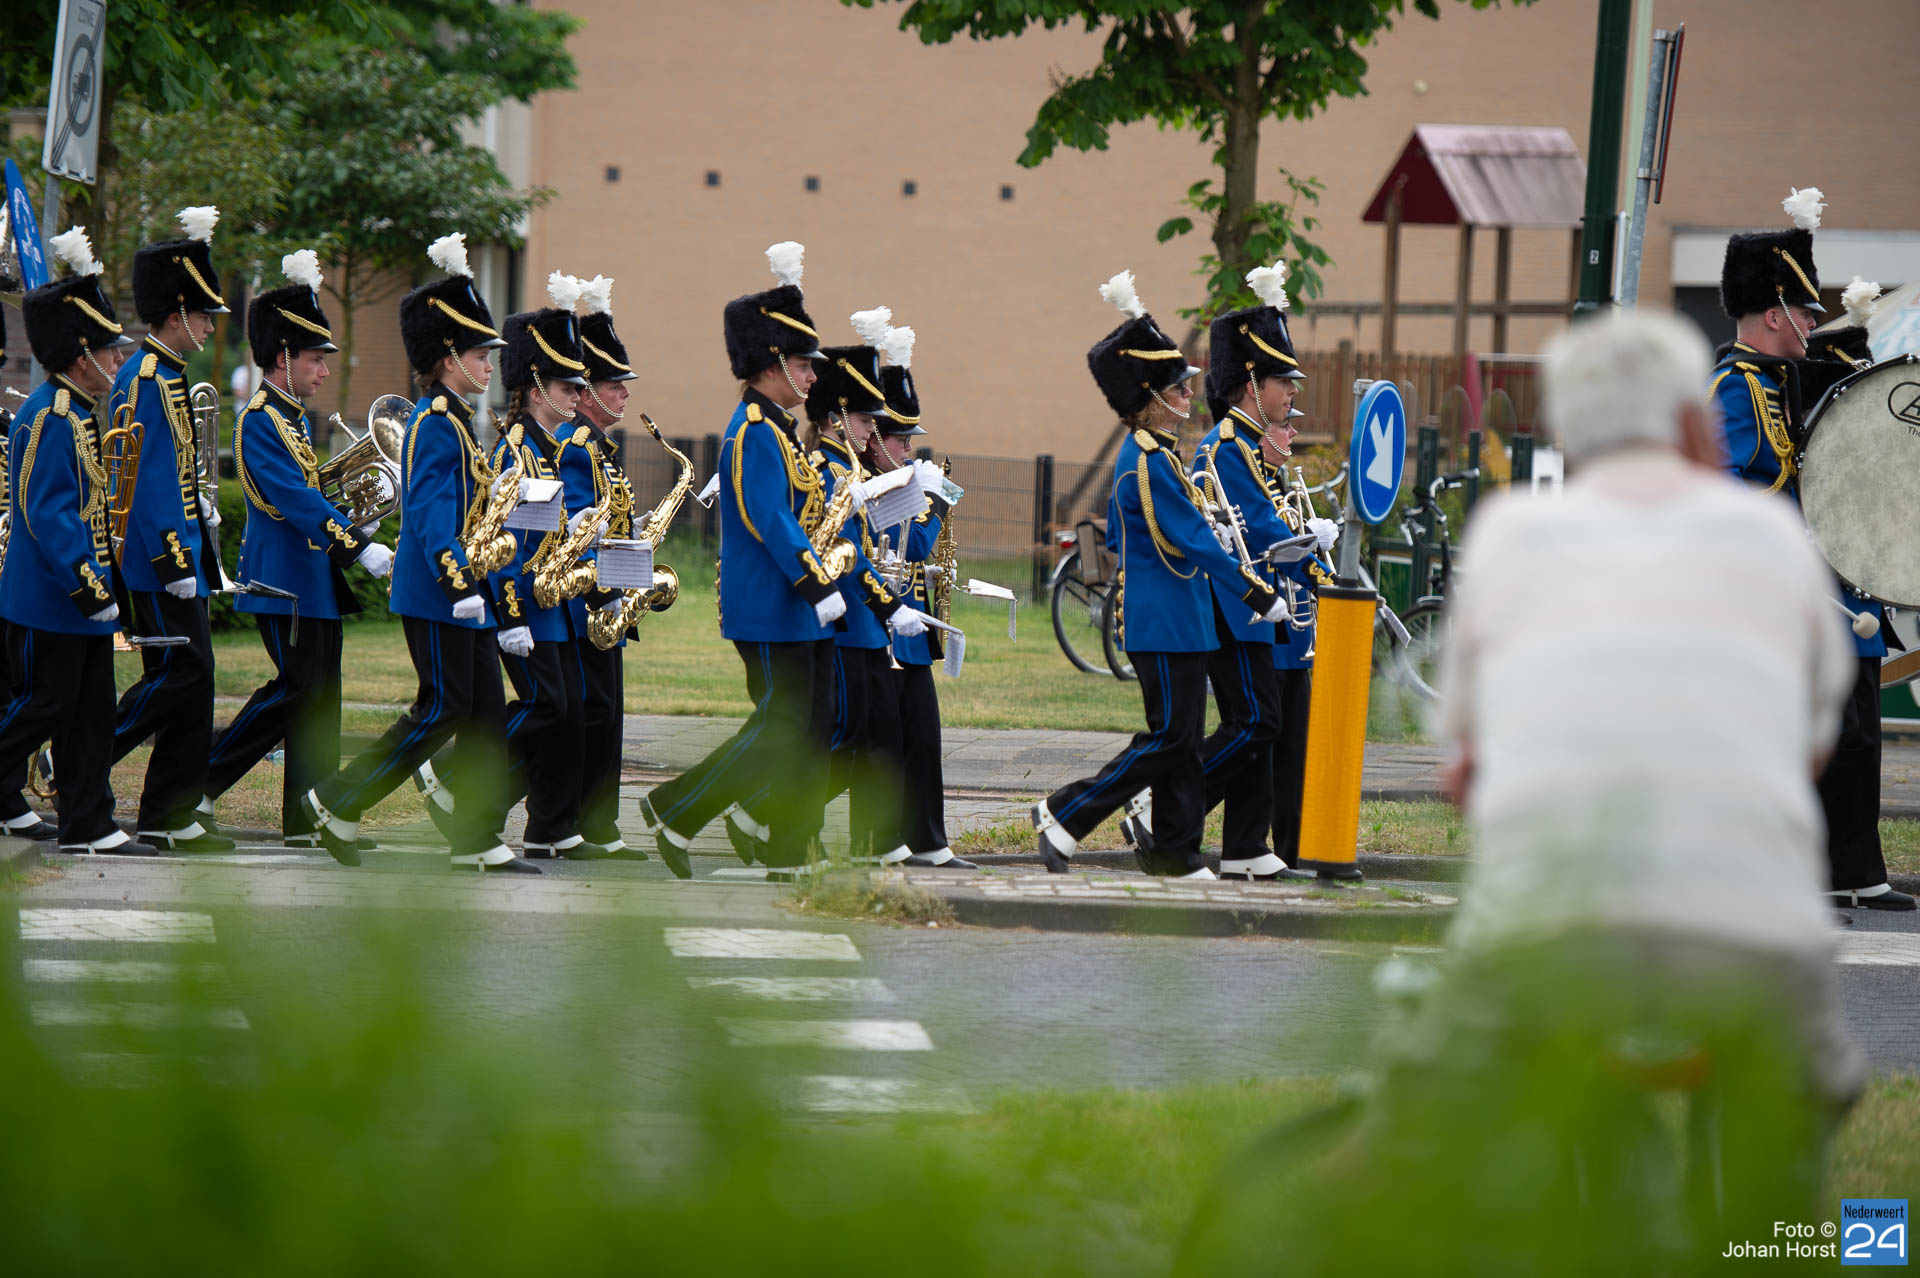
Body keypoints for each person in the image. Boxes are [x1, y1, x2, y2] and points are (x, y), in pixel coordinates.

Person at [1404, 308, 1862, 1248]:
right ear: (1695, 424)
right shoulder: (1772, 540)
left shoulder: (1510, 537)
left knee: (1487, 1120)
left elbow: (1462, 764)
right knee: (1792, 1152)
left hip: (1549, 938)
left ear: (1568, 438)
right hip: (1754, 946)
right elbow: (1815, 746)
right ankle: (1790, 1247)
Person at [1029, 271, 1286, 877]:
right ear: (1151, 395)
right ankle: (1067, 812)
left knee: (1183, 746)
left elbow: (1139, 537)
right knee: (1169, 739)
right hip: (1164, 623)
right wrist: (1256, 592)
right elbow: (1194, 542)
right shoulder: (1147, 462)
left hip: (1182, 621)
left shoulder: (1159, 456)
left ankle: (1175, 849)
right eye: (1178, 387)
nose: (1190, 394)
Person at [301, 233, 535, 874]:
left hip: (464, 591)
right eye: (481, 355)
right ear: (449, 358)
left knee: (485, 714)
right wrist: (460, 585)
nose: (490, 366)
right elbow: (431, 518)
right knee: (442, 708)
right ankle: (338, 798)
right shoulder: (435, 423)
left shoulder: (455, 420)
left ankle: (476, 835)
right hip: (440, 593)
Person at [1712, 188, 1913, 911]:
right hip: (1788, 588)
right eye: (1802, 310)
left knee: (1858, 732)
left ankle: (1856, 871)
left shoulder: (1799, 378)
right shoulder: (1734, 387)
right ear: (1773, 314)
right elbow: (1731, 483)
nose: (1811, 321)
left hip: (1836, 585)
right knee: (1814, 733)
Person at [637, 242, 851, 882]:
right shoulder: (754, 431)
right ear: (772, 363)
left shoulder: (777, 428)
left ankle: (792, 847)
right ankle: (677, 808)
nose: (812, 378)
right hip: (772, 604)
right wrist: (817, 582)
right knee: (781, 727)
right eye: (803, 366)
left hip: (796, 604)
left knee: (809, 730)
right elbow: (768, 517)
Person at [202, 250, 394, 848]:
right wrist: (356, 546)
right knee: (295, 692)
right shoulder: (261, 418)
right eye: (315, 359)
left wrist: (354, 516)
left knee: (320, 701)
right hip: (283, 581)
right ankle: (198, 785)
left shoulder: (293, 418)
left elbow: (312, 494)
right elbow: (293, 499)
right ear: (284, 357)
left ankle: (308, 815)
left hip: (309, 583)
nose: (323, 371)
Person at [0, 227, 151, 855]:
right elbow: (50, 516)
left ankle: (88, 822)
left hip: (77, 599)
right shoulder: (52, 415)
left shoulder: (79, 412)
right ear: (80, 355)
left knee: (90, 712)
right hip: (51, 599)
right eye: (110, 351)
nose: (117, 361)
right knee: (43, 706)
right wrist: (90, 588)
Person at [1187, 263, 1327, 881]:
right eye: (1282, 380)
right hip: (1245, 613)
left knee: (1277, 738)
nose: (1291, 392)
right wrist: (1314, 557)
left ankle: (1251, 845)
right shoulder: (1226, 447)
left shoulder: (1252, 446)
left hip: (1276, 616)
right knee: (1257, 728)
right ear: (1251, 383)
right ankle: (1170, 811)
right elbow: (1260, 531)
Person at [107, 206, 235, 853]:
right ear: (177, 312)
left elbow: (175, 473)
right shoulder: (146, 378)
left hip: (182, 554)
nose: (210, 325)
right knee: (179, 675)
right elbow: (143, 481)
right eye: (204, 314)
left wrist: (198, 517)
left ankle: (167, 812)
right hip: (159, 561)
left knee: (194, 680)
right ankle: (83, 753)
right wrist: (173, 558)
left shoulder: (170, 375)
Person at [482, 276, 606, 860]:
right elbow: (502, 544)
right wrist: (510, 615)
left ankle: (550, 827)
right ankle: (460, 782)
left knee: (567, 711)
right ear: (536, 389)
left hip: (551, 604)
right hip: (524, 607)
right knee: (549, 706)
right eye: (567, 386)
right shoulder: (516, 451)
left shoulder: (549, 450)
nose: (579, 396)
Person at [806, 326, 926, 867]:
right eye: (863, 420)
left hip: (864, 620)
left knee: (864, 737)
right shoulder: (829, 469)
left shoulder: (847, 466)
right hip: (846, 618)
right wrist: (891, 606)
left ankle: (872, 839)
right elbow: (849, 554)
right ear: (836, 418)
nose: (872, 430)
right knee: (845, 737)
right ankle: (769, 815)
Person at [873, 321, 974, 869]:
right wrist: (929, 501)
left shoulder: (902, 479)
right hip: (880, 626)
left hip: (910, 627)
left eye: (911, 440)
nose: (909, 450)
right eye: (900, 440)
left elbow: (916, 554)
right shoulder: (873, 484)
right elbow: (906, 543)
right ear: (875, 439)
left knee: (923, 737)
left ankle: (929, 841)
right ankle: (883, 838)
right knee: (881, 745)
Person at [558, 272, 644, 860]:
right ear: (586, 390)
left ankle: (599, 825)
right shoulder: (577, 447)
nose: (624, 395)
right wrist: (607, 580)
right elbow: (575, 527)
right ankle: (579, 821)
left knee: (606, 712)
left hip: (608, 597)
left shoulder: (599, 448)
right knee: (592, 711)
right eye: (615, 385)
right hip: (585, 599)